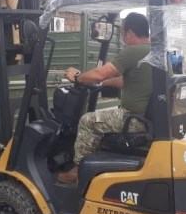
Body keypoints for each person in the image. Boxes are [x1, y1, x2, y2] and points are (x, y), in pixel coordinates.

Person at [57, 12, 153, 184]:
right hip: (149, 117)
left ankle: (78, 171)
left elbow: (98, 74)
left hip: (134, 119)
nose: (123, 38)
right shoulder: (155, 52)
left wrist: (77, 76)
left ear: (129, 33)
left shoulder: (134, 50)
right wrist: (105, 83)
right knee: (101, 120)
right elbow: (129, 80)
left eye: (123, 34)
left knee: (87, 121)